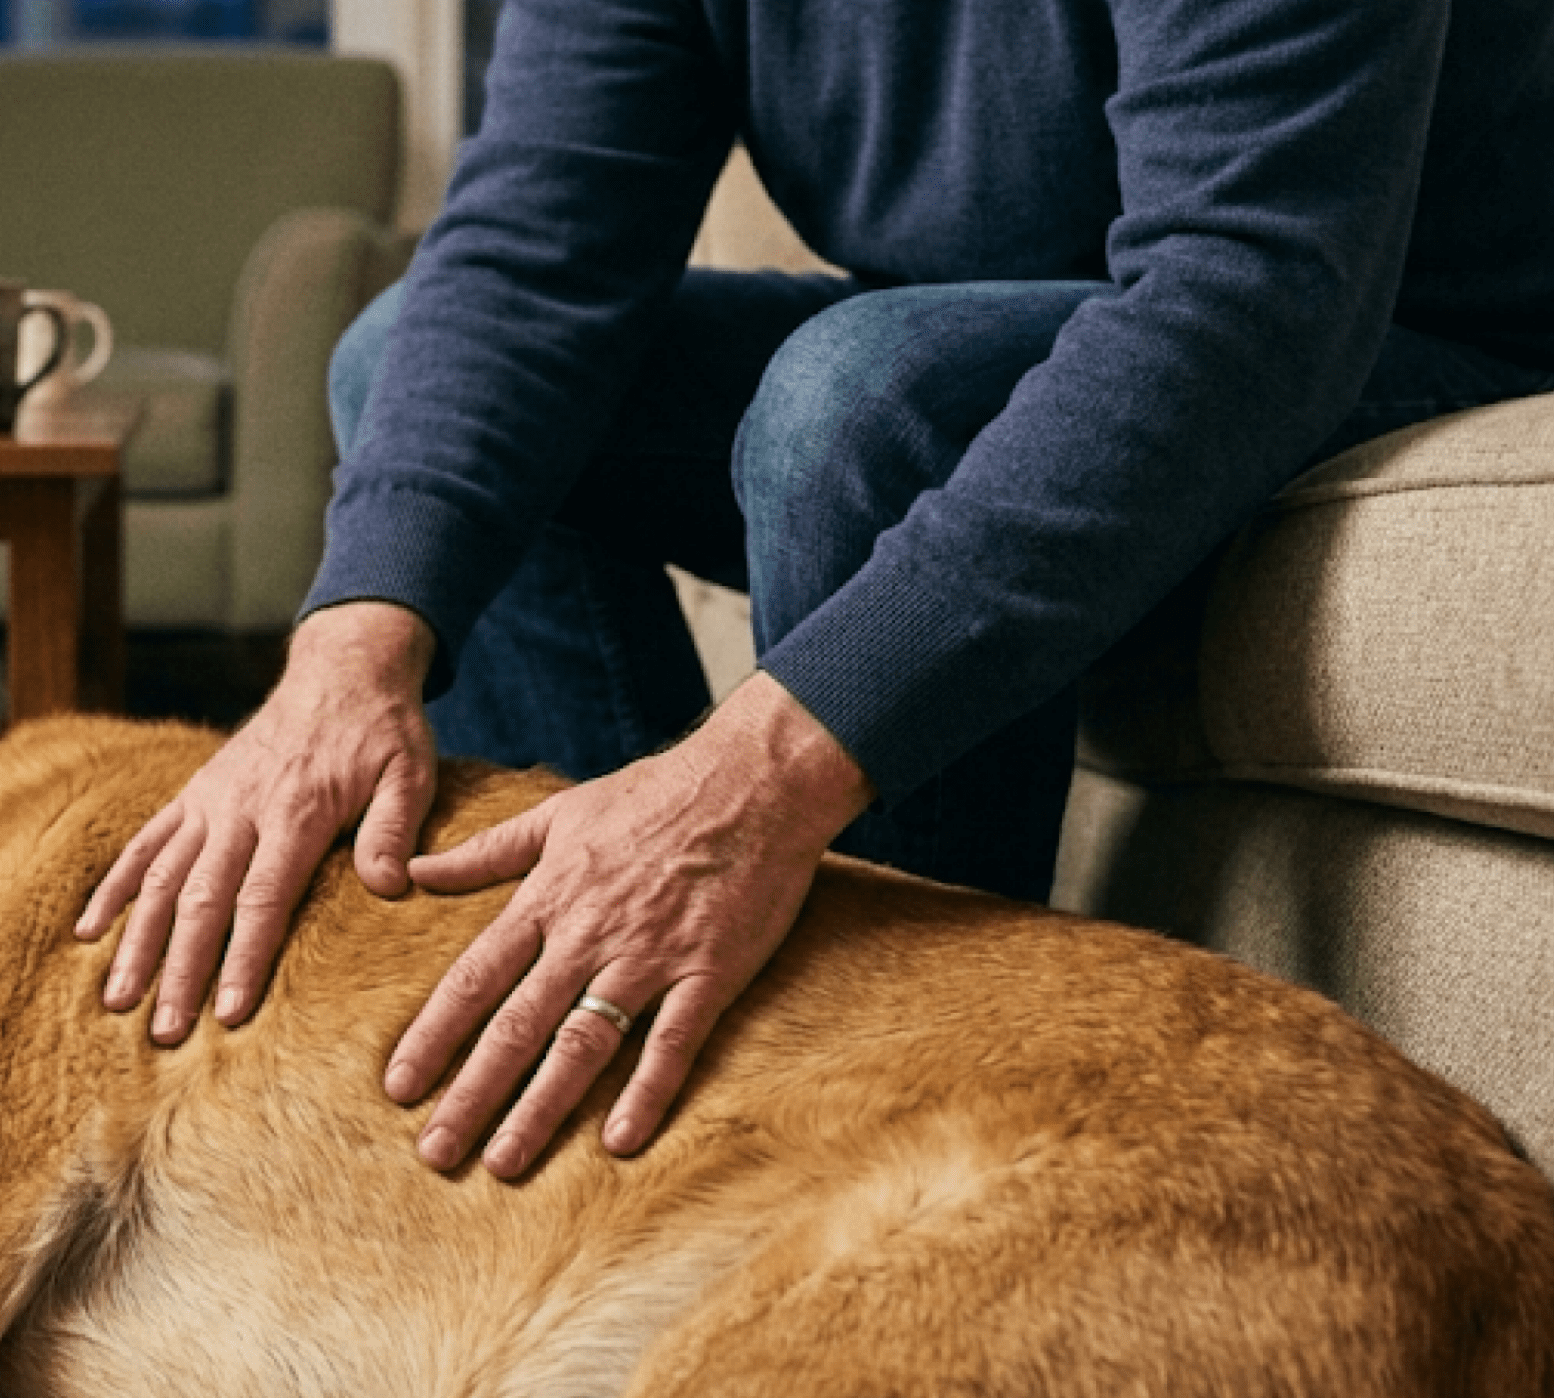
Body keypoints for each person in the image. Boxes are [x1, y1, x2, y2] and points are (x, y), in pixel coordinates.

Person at [76, 0, 1554, 1182]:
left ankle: (891, 1165)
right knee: (408, 363)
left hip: (1370, 330)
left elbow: (1252, 286)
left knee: (862, 404)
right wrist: (344, 652)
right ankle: (598, 1081)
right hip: (997, 332)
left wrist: (749, 777)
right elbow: (535, 241)